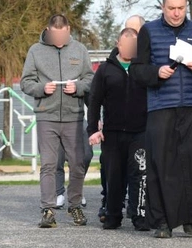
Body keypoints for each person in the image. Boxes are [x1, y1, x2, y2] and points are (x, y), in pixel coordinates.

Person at [130, 0, 192, 238]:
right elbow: (136, 70)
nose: (177, 13)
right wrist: (156, 73)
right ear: (163, 7)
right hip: (161, 106)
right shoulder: (148, 31)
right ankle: (162, 222)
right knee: (162, 163)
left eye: (181, 8)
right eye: (172, 8)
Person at [20, 14, 94, 228]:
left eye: (63, 36)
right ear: (48, 30)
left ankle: (75, 205)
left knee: (78, 163)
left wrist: (78, 87)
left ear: (69, 30)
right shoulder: (35, 50)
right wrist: (41, 89)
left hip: (74, 116)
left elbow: (90, 79)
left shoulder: (80, 50)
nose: (60, 40)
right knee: (49, 165)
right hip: (47, 116)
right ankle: (48, 210)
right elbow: (26, 82)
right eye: (55, 36)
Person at [87, 28, 149, 230]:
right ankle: (113, 215)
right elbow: (94, 100)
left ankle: (139, 216)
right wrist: (92, 129)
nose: (131, 49)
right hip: (112, 133)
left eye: (134, 46)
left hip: (140, 132)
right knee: (114, 176)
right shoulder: (105, 69)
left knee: (139, 175)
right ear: (119, 45)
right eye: (127, 45)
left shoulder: (143, 68)